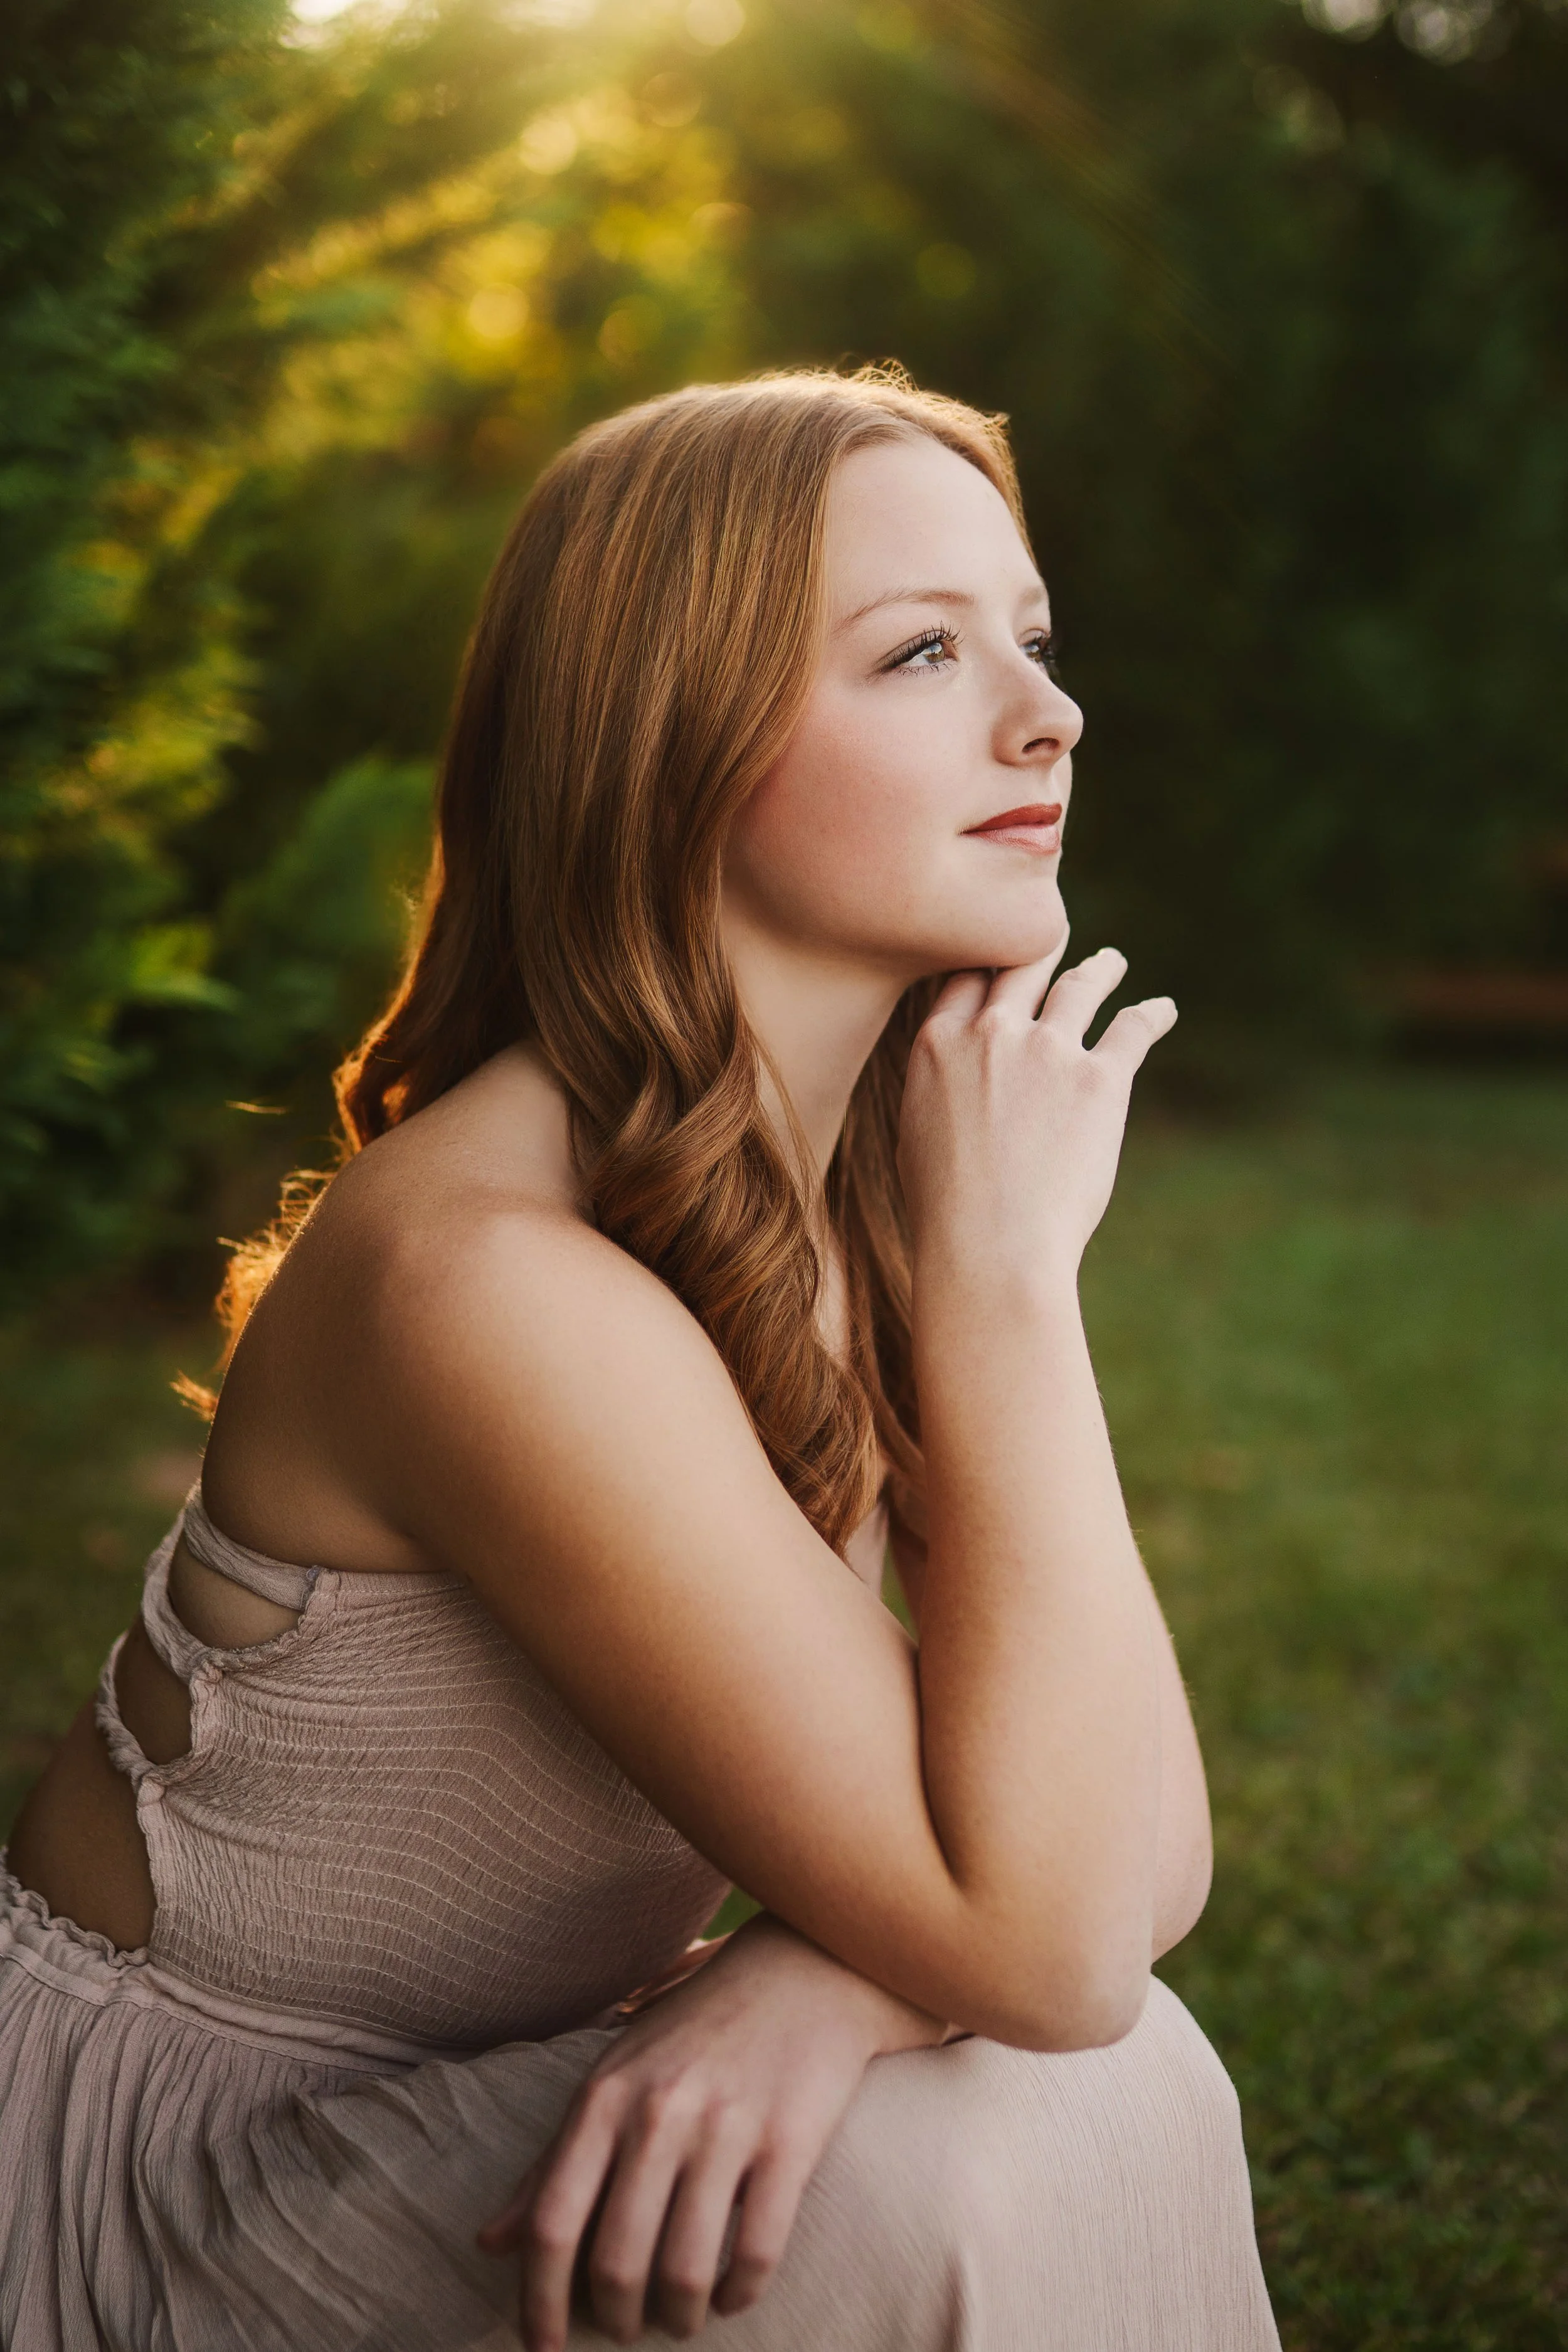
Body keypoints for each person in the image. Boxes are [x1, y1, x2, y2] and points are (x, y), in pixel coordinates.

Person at [0, 367, 1279, 2352]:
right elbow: (1053, 1935)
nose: (1049, 713)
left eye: (1030, 638)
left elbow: (1121, 1864)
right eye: (922, 652)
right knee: (1002, 2132)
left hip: (460, 2089)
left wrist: (816, 1976)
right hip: (167, 2190)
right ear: (672, 735)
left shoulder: (852, 1180)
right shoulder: (490, 1275)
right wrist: (1014, 1290)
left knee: (1091, 2073)